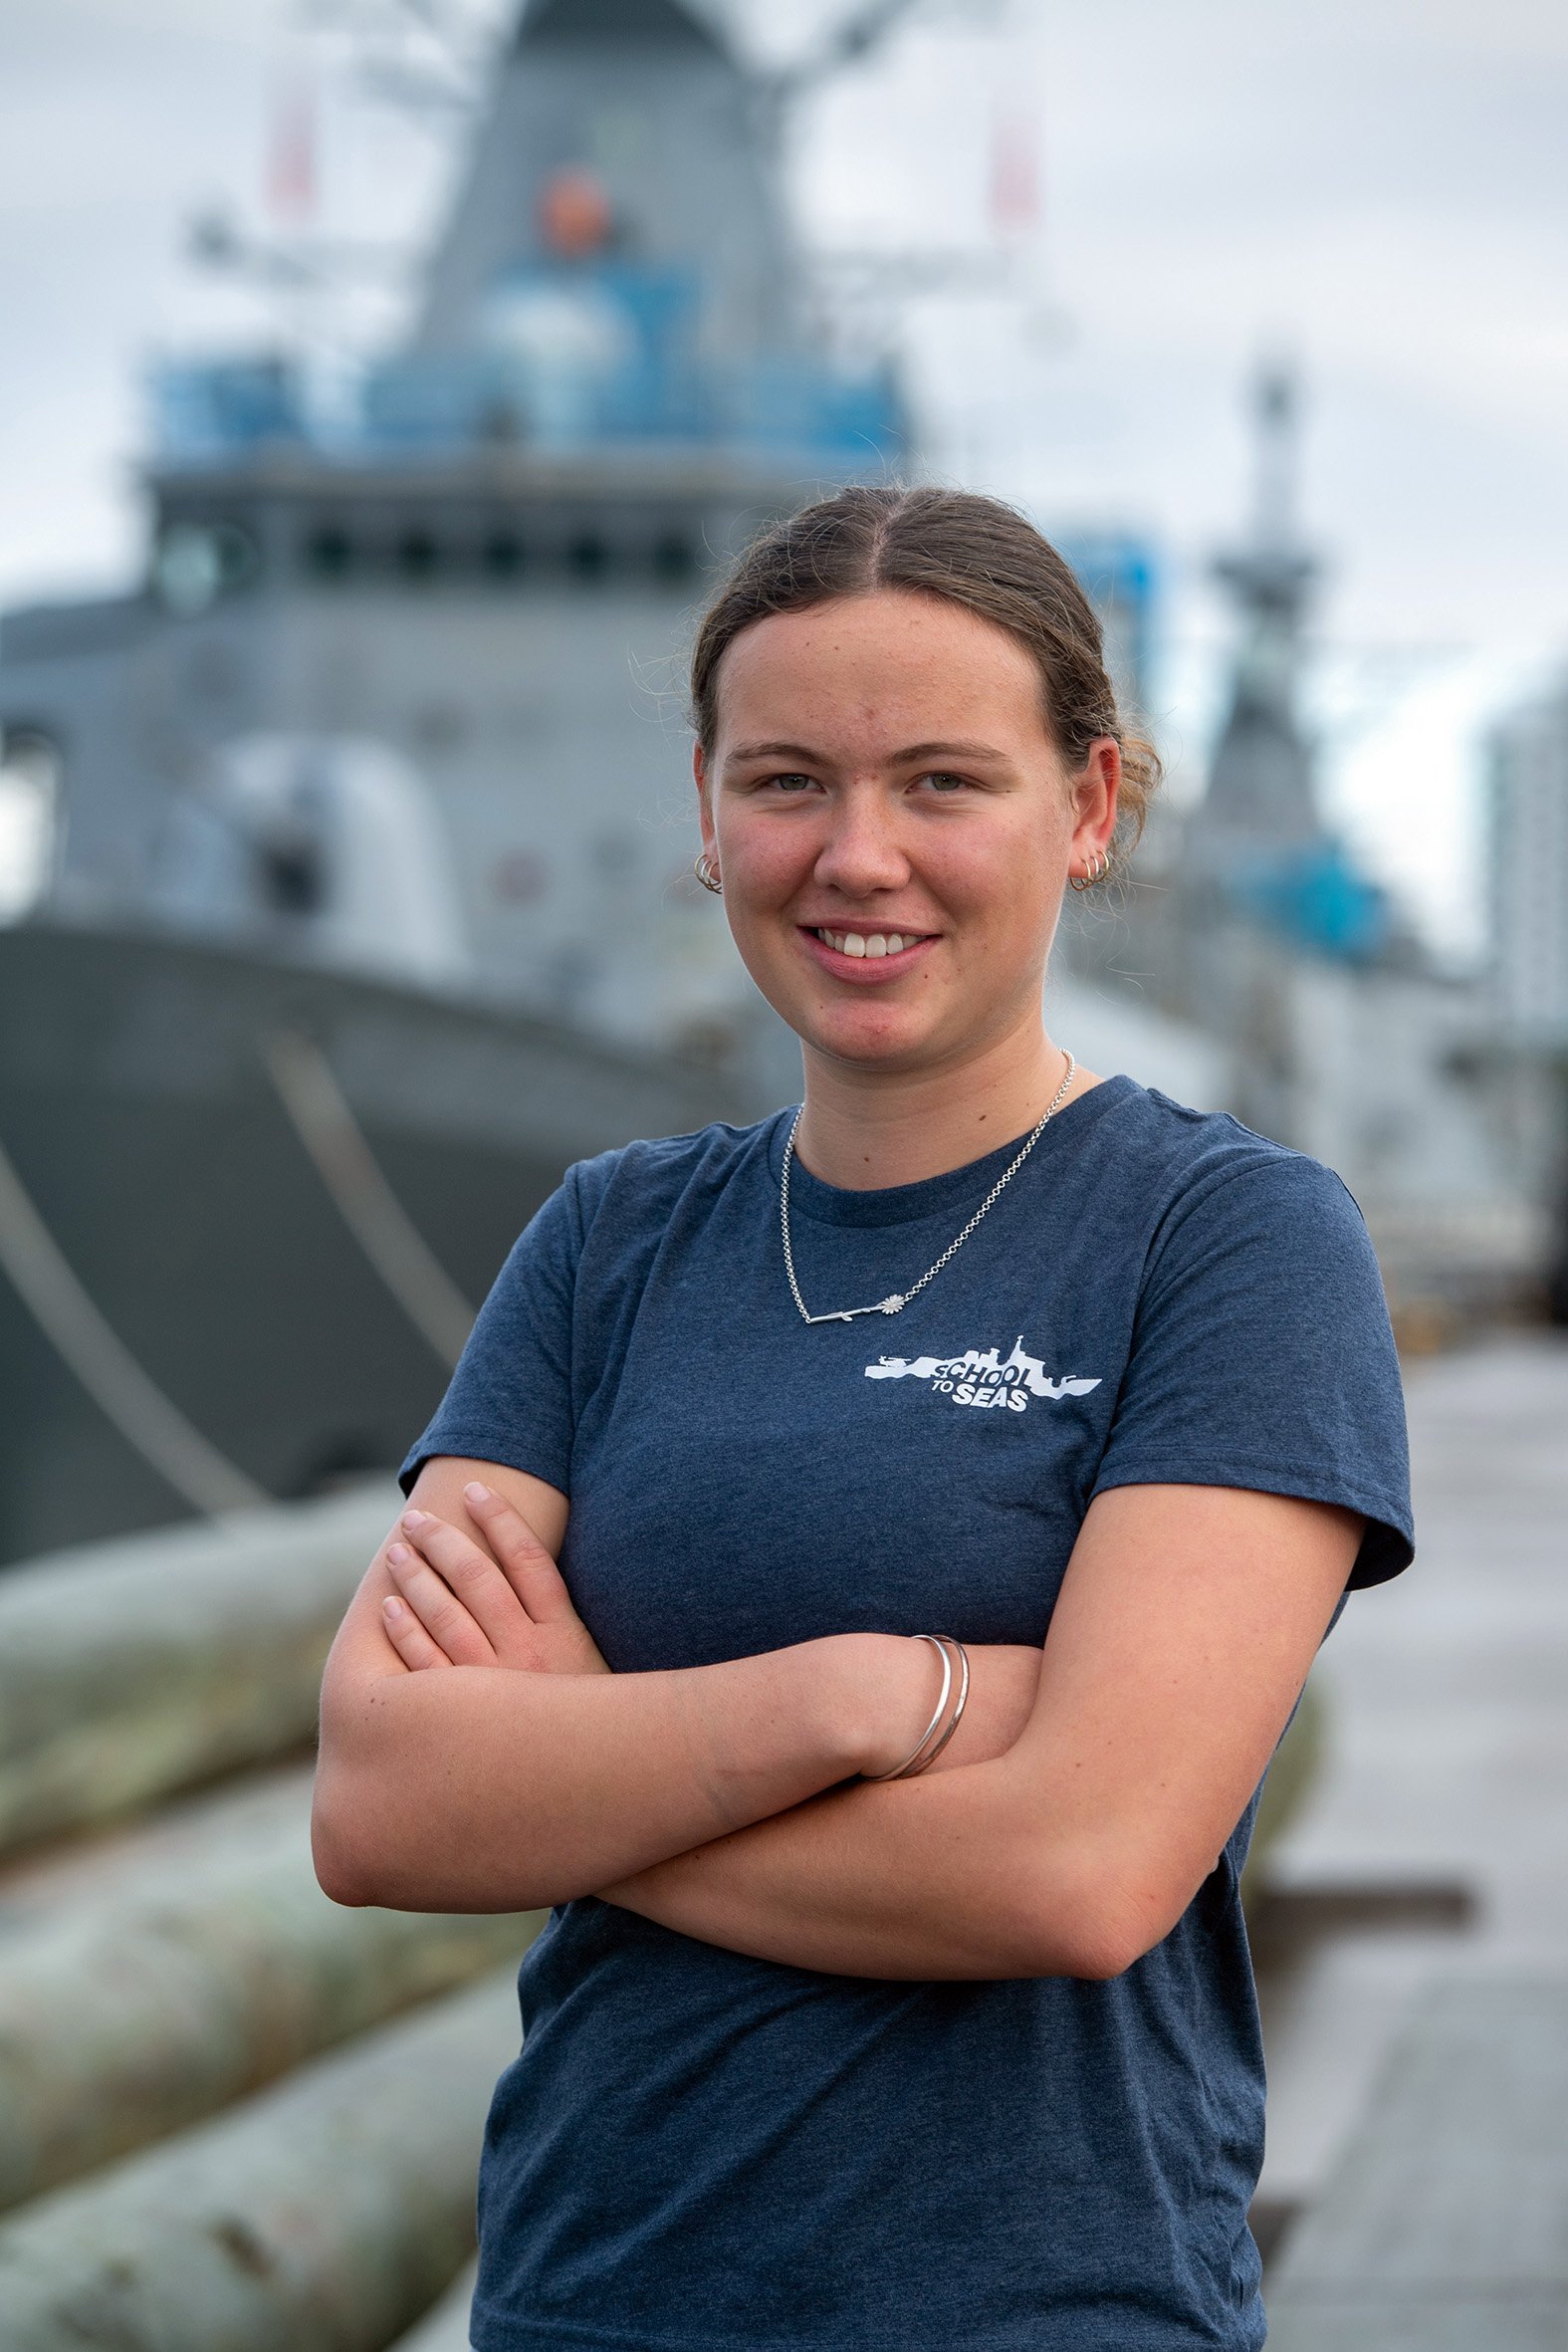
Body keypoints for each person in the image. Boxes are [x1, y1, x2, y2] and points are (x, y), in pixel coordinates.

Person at [312, 485, 1413, 2352]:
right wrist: (859, 1700)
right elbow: (386, 1799)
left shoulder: (1226, 1240)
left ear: (1086, 809)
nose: (858, 854)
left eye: (943, 784)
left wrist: (575, 1773)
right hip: (591, 2297)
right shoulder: (609, 1241)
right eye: (791, 779)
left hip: (1042, 2311)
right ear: (709, 808)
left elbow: (1080, 1871)